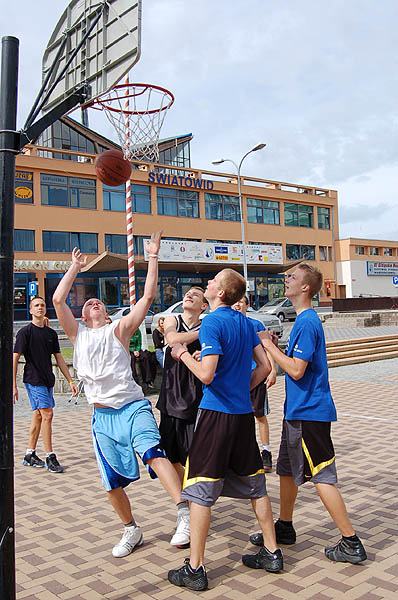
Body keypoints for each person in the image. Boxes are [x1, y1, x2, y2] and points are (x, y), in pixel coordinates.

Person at [52, 232, 190, 558]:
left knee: (154, 453)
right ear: (83, 317)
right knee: (110, 484)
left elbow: (147, 297)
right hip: (102, 416)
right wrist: (74, 267)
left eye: (97, 301)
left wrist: (153, 257)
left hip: (132, 407)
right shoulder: (78, 333)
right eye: (88, 303)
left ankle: (184, 511)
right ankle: (131, 529)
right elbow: (59, 300)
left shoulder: (120, 329)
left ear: (107, 313)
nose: (93, 303)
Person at [167, 269, 283, 592]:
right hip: (242, 416)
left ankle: (195, 568)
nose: (207, 283)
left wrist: (183, 355)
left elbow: (206, 374)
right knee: (256, 485)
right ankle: (273, 553)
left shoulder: (214, 322)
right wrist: (240, 391)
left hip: (215, 416)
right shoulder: (246, 324)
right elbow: (264, 367)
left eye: (213, 281)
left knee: (200, 490)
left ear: (220, 292)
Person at [249, 264, 367, 564]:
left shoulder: (308, 322)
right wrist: (277, 349)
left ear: (305, 288)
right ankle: (285, 527)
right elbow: (296, 361)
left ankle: (350, 542)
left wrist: (266, 346)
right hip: (298, 413)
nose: (286, 280)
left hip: (309, 414)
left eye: (292, 277)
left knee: (322, 476)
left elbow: (297, 370)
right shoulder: (304, 321)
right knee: (287, 470)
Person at [13, 296, 78, 473]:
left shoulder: (50, 334)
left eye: (42, 305)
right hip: (34, 380)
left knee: (39, 416)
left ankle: (29, 454)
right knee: (48, 414)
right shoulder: (24, 333)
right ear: (31, 310)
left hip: (48, 379)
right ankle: (50, 456)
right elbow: (15, 358)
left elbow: (59, 358)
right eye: (36, 305)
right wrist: (12, 385)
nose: (40, 308)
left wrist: (70, 380)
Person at [156, 287, 208, 492]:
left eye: (196, 295)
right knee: (171, 455)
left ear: (204, 306)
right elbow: (172, 339)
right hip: (171, 397)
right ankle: (186, 496)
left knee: (194, 454)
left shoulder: (207, 325)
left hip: (195, 398)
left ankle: (196, 495)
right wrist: (200, 334)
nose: (189, 295)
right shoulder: (173, 320)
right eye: (187, 293)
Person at [232, 295, 276, 472]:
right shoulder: (228, 324)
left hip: (256, 377)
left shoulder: (255, 325)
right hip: (236, 379)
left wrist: (272, 370)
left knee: (259, 415)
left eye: (241, 301)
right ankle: (241, 452)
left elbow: (267, 349)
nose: (237, 304)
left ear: (247, 305)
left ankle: (266, 451)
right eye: (235, 301)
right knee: (238, 417)